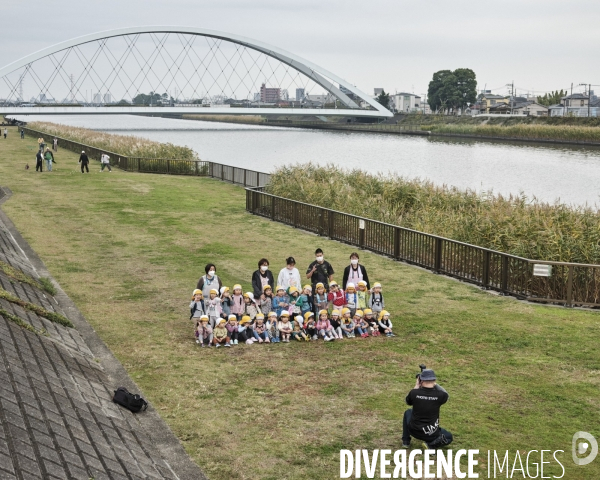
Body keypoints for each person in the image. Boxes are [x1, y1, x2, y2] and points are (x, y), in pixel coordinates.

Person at [402, 369, 453, 449]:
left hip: (414, 431)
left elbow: (407, 402)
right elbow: (447, 396)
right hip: (431, 434)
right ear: (434, 380)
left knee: (408, 412)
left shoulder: (414, 393)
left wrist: (416, 386)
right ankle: (430, 445)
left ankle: (406, 441)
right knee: (448, 437)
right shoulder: (440, 395)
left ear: (421, 380)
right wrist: (435, 384)